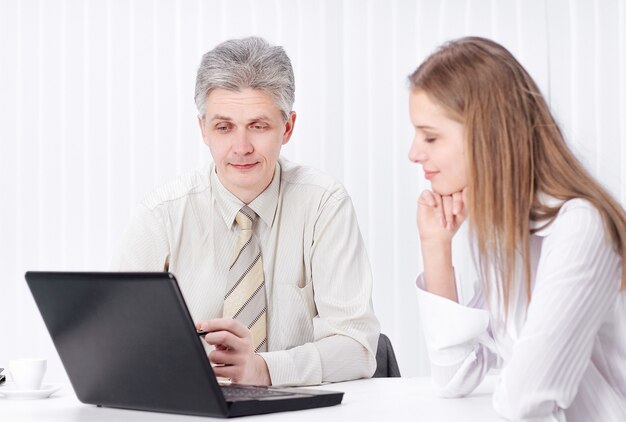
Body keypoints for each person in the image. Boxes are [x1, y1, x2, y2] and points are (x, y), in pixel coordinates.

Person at [113, 36, 380, 387]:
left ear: (287, 128)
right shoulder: (162, 215)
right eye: (224, 127)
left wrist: (265, 370)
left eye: (258, 126)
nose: (241, 148)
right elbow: (118, 342)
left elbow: (357, 346)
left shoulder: (324, 205)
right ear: (203, 130)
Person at [408, 36, 626, 421]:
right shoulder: (502, 232)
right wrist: (435, 245)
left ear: (485, 134)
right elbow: (452, 377)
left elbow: (526, 401)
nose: (414, 152)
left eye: (430, 136)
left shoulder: (580, 227)